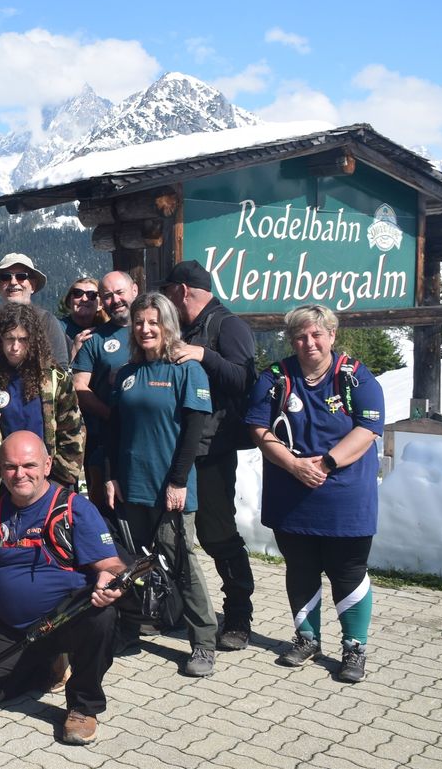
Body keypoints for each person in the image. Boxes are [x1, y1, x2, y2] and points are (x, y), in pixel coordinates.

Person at [0, 431, 124, 746]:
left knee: (102, 618)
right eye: (10, 466)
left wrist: (111, 581)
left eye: (29, 465)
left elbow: (113, 566)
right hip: (7, 629)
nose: (19, 474)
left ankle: (83, 705)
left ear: (47, 465)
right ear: (0, 468)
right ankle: (43, 665)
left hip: (62, 622)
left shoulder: (74, 508)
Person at [245, 304, 384, 683]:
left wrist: (324, 465)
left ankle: (354, 647)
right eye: (301, 336)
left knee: (348, 571)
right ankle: (307, 639)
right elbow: (258, 428)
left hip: (345, 497)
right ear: (292, 340)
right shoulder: (274, 377)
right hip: (291, 496)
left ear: (332, 336)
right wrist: (293, 465)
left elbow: (369, 430)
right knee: (301, 568)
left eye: (317, 334)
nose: (309, 343)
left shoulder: (356, 377)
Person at [105, 292, 216, 677]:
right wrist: (110, 476)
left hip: (170, 487)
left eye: (153, 321)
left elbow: (193, 431)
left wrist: (179, 482)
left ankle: (203, 642)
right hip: (130, 485)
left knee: (182, 562)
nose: (145, 328)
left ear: (168, 325)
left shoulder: (186, 369)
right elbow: (115, 430)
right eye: (139, 322)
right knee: (132, 564)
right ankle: (134, 628)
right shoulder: (126, 373)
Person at [161, 260, 258, 652]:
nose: (167, 300)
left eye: (169, 293)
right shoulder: (184, 327)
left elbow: (245, 380)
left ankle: (238, 615)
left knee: (217, 534)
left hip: (214, 451)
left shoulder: (227, 325)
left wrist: (204, 355)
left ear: (183, 290)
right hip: (179, 447)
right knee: (172, 535)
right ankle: (172, 607)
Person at [0, 302, 83, 495]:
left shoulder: (54, 379)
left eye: (22, 339)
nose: (15, 347)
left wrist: (61, 480)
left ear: (33, 340)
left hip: (51, 480)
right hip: (7, 482)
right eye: (9, 339)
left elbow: (72, 431)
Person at [72, 270, 138, 510]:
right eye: (108, 296)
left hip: (148, 437)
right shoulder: (95, 339)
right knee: (106, 510)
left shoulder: (154, 330)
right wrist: (110, 414)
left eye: (119, 292)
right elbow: (79, 385)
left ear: (134, 290)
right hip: (103, 439)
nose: (115, 300)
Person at [0, 253, 71, 368]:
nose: (13, 282)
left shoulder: (47, 322)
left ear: (32, 285)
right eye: (5, 277)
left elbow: (60, 367)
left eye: (21, 276)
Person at [60, 276, 108, 363]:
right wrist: (74, 350)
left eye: (91, 295)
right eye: (78, 293)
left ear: (100, 304)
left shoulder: (107, 332)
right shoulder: (56, 328)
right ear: (69, 301)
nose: (84, 299)